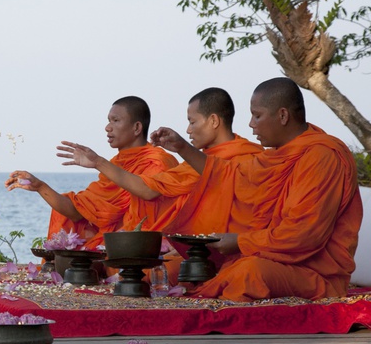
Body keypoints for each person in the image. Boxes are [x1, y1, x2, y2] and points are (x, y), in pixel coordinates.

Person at [150, 77, 363, 302]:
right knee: (193, 270)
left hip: (315, 273)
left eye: (257, 115)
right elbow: (229, 173)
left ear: (282, 116)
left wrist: (240, 242)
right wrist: (182, 147)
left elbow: (304, 235)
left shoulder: (322, 156)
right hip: (272, 260)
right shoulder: (275, 156)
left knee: (248, 274)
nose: (251, 124)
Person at [58, 87, 262, 235]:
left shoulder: (250, 157)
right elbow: (149, 189)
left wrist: (98, 162)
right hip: (194, 247)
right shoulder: (191, 164)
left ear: (214, 121)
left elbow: (148, 191)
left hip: (236, 246)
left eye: (192, 122)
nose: (189, 130)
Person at [5, 96, 177, 248]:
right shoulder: (115, 166)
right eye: (108, 121)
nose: (107, 127)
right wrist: (40, 187)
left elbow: (148, 192)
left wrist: (98, 162)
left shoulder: (158, 161)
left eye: (115, 121)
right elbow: (76, 211)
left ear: (137, 127)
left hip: (147, 249)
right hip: (113, 247)